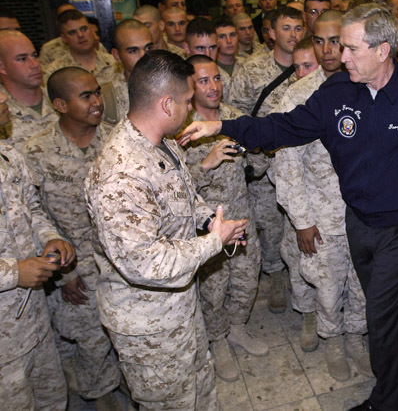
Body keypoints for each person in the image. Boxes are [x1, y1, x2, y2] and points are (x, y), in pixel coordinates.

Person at [179, 3, 398, 411]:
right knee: (389, 309)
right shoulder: (337, 92)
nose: (341, 57)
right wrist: (222, 125)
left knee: (381, 316)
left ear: (383, 50)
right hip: (358, 221)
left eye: (350, 49)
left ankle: (388, 400)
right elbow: (282, 128)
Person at [84, 50, 247, 409]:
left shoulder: (162, 143)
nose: (192, 109)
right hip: (147, 324)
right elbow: (144, 263)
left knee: (199, 389)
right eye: (188, 101)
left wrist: (208, 221)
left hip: (179, 305)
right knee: (170, 402)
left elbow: (183, 198)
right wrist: (213, 243)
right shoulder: (120, 174)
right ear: (167, 103)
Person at [275, 13, 370, 381]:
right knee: (327, 284)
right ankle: (332, 338)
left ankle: (357, 336)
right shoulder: (299, 95)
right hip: (321, 212)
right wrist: (301, 219)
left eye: (337, 42)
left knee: (363, 282)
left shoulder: (367, 87)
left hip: (365, 213)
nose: (328, 50)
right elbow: (287, 163)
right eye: (320, 41)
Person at [23, 67, 122, 407]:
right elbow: (33, 213)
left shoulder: (115, 139)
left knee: (116, 329)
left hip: (115, 261)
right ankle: (99, 392)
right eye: (86, 96)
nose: (97, 102)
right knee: (88, 333)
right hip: (72, 266)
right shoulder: (37, 151)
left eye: (97, 92)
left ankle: (113, 380)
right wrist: (64, 272)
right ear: (61, 105)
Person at [182, 55, 265, 382]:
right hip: (206, 228)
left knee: (246, 281)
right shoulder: (181, 128)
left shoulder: (235, 118)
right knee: (213, 290)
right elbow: (175, 187)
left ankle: (237, 329)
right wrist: (207, 162)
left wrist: (252, 153)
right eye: (203, 81)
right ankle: (217, 340)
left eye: (216, 78)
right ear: (190, 86)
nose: (213, 86)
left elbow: (260, 167)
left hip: (242, 219)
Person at [225, 6, 306, 314]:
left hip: (299, 162)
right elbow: (237, 112)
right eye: (286, 28)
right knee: (270, 224)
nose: (293, 35)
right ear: (271, 32)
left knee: (298, 222)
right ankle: (274, 274)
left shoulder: (310, 66)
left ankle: (300, 277)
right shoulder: (253, 69)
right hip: (264, 163)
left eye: (298, 28)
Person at [0, 88, 76, 410]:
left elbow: (32, 208)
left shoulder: (8, 154)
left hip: (33, 319)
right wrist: (14, 272)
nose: (4, 100)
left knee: (52, 399)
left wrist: (50, 238)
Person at [0, 30, 58, 147]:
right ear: (2, 67)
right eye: (22, 59)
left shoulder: (61, 99)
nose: (35, 64)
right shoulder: (3, 112)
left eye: (34, 56)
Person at [100, 19, 153, 124]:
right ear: (117, 56)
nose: (144, 56)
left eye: (148, 48)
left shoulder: (175, 87)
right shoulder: (106, 98)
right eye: (133, 51)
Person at [43, 10, 117, 85]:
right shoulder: (55, 72)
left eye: (84, 29)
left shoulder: (115, 63)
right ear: (64, 38)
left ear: (91, 30)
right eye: (72, 32)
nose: (80, 35)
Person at [184, 18, 232, 101]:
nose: (208, 54)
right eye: (200, 48)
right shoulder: (175, 77)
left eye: (212, 47)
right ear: (187, 48)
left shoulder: (224, 79)